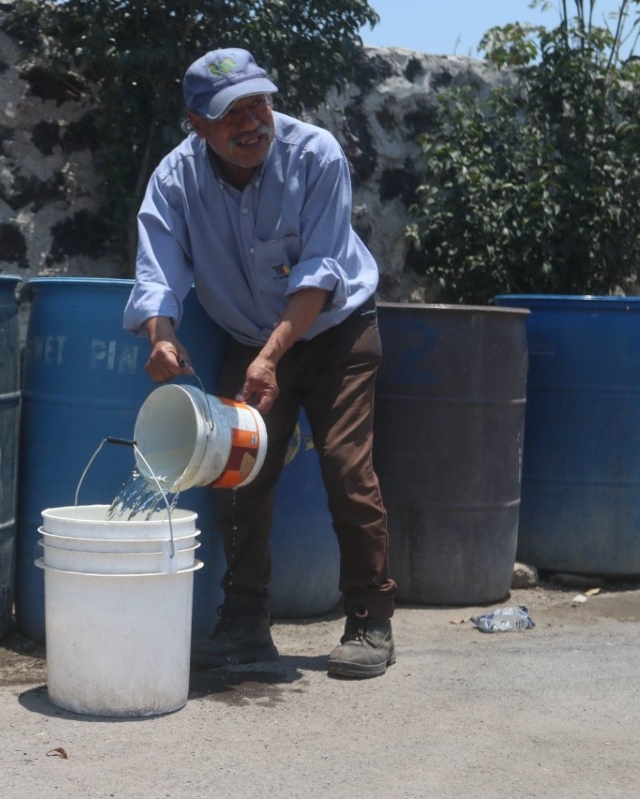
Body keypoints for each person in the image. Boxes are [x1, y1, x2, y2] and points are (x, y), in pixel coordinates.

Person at [123, 47, 397, 679]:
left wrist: (273, 355)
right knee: (238, 473)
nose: (251, 123)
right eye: (230, 114)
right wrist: (161, 337)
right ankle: (245, 622)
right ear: (196, 123)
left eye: (258, 103)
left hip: (337, 331)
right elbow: (158, 268)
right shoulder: (174, 179)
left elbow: (321, 270)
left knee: (345, 466)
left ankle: (369, 618)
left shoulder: (317, 154)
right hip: (249, 337)